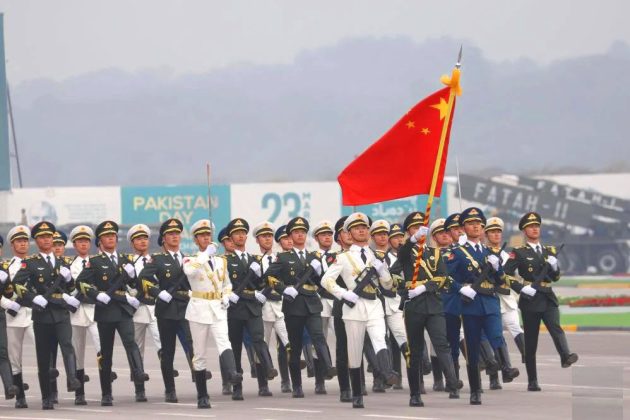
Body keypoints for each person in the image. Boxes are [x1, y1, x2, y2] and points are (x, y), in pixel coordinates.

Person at [321, 212, 399, 409]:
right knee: (354, 355)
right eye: (357, 228)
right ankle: (356, 393)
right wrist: (343, 294)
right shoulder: (343, 257)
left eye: (364, 227)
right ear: (349, 232)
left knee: (380, 338)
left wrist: (383, 272)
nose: (362, 230)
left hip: (374, 306)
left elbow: (388, 285)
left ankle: (387, 372)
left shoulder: (377, 256)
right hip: (353, 310)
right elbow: (326, 280)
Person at [446, 208, 518, 405]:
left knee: (496, 335)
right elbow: (446, 278)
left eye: (479, 223)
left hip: (490, 301)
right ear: (463, 228)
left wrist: (497, 267)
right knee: (473, 348)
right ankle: (475, 390)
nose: (476, 226)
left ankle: (503, 367)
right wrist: (461, 289)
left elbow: (501, 280)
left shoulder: (489, 253)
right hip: (471, 304)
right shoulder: (457, 253)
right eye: (470, 223)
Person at [76, 220, 149, 406]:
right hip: (106, 312)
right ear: (100, 241)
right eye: (107, 236)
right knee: (106, 354)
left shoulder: (126, 260)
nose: (111, 238)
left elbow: (133, 286)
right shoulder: (94, 262)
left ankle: (139, 377)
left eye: (113, 236)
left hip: (123, 310)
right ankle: (106, 393)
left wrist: (132, 276)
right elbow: (81, 283)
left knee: (130, 343)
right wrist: (96, 294)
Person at [504, 212, 578, 392]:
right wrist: (521, 288)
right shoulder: (519, 252)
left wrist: (554, 266)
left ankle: (565, 355)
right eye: (530, 226)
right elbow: (505, 274)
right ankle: (532, 380)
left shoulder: (549, 251)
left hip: (547, 295)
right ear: (524, 230)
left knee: (555, 327)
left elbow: (555, 277)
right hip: (530, 298)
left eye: (537, 226)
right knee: (531, 341)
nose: (535, 228)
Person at [12, 221, 81, 410]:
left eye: (49, 237)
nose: (47, 240)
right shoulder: (31, 263)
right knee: (44, 357)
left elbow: (71, 288)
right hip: (42, 315)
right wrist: (34, 298)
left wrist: (69, 279)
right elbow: (18, 285)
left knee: (67, 345)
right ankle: (47, 397)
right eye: (42, 237)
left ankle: (72, 379)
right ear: (37, 240)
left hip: (61, 313)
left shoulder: (62, 262)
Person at [397, 212, 462, 407]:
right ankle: (415, 393)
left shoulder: (434, 253)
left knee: (442, 343)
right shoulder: (406, 251)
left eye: (421, 229)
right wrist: (412, 240)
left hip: (433, 303)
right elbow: (400, 257)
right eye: (414, 229)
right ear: (409, 231)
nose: (419, 231)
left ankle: (452, 380)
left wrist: (424, 287)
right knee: (415, 351)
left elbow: (442, 276)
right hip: (414, 307)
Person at [268, 217, 336, 398]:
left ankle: (324, 375)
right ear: (290, 236)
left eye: (303, 232)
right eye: (296, 232)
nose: (300, 235)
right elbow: (270, 277)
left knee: (318, 337)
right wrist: (284, 289)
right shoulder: (283, 257)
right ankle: (297, 385)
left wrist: (320, 270)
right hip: (294, 305)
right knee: (296, 346)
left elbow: (321, 281)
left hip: (312, 302)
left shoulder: (314, 256)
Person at [183, 219, 243, 408]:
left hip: (217, 308)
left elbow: (227, 284)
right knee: (200, 354)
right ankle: (202, 395)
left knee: (224, 342)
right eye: (202, 236)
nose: (206, 238)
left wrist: (226, 295)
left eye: (208, 235)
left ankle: (232, 374)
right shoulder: (190, 259)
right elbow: (190, 272)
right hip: (199, 309)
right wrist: (204, 256)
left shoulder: (221, 261)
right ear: (195, 240)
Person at [138, 218, 195, 403]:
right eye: (171, 234)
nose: (175, 237)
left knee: (191, 343)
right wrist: (158, 292)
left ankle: (198, 378)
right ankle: (170, 389)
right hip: (167, 309)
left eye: (177, 233)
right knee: (168, 351)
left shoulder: (188, 258)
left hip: (185, 307)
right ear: (163, 238)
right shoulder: (157, 259)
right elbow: (143, 278)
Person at [223, 218, 278, 401]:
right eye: (236, 233)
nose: (240, 235)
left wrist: (264, 291)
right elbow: (221, 282)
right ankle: (237, 387)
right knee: (236, 347)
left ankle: (266, 378)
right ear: (231, 238)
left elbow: (268, 281)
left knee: (258, 341)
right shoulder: (224, 260)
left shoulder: (256, 259)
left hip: (253, 306)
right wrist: (227, 293)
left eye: (242, 233)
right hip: (235, 308)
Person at [484, 217, 525, 388]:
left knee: (515, 327)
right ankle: (495, 378)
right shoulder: (483, 253)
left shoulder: (506, 255)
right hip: (490, 297)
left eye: (498, 232)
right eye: (492, 232)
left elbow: (512, 276)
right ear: (486, 234)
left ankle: (526, 356)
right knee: (495, 336)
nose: (496, 235)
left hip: (506, 299)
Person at [256, 222, 292, 394]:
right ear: (257, 240)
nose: (268, 239)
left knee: (286, 345)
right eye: (264, 236)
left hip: (280, 306)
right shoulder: (254, 261)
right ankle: (263, 384)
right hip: (262, 308)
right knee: (262, 346)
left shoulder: (280, 260)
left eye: (270, 236)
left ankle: (286, 380)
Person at [1, 226, 34, 408]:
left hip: (34, 314)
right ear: (12, 245)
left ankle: (50, 390)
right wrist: (9, 304)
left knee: (45, 349)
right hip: (14, 315)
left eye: (25, 241)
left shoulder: (36, 263)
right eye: (19, 241)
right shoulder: (6, 267)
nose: (23, 244)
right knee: (15, 357)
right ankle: (20, 395)